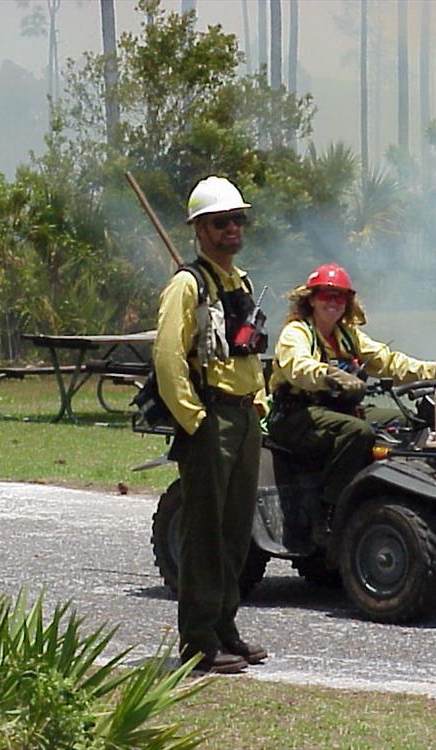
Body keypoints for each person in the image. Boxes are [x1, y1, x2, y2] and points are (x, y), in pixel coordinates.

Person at [152, 176, 268, 675]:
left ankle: (224, 627)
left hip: (243, 416)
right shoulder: (187, 285)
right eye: (221, 223)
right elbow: (167, 356)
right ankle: (198, 641)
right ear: (200, 230)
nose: (232, 229)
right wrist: (193, 418)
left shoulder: (240, 282)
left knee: (237, 531)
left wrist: (259, 401)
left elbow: (248, 351)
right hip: (210, 417)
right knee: (205, 532)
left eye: (238, 220)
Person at [267, 263, 436, 523]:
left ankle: (394, 493)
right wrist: (333, 377)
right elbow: (298, 367)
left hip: (337, 411)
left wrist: (435, 370)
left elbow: (388, 361)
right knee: (358, 432)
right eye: (326, 295)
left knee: (408, 421)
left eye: (340, 297)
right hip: (295, 414)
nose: (333, 302)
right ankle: (330, 510)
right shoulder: (297, 332)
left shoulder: (347, 335)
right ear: (311, 299)